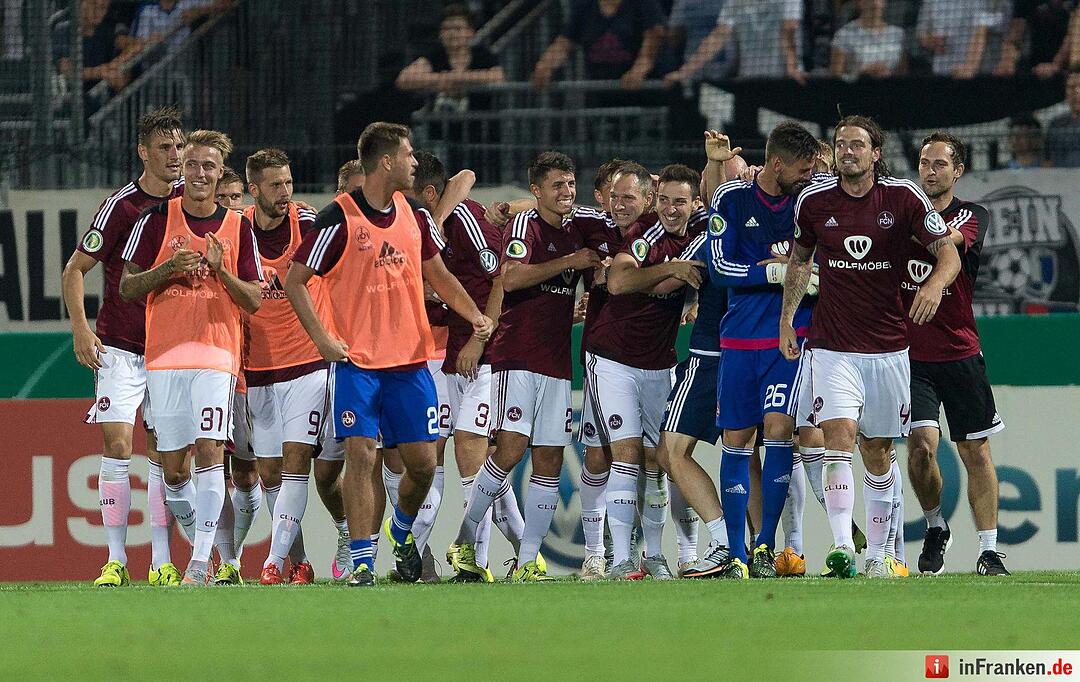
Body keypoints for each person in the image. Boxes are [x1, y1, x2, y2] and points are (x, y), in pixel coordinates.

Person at [287, 122, 493, 587]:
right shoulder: (336, 219)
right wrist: (321, 338)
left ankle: (400, 529)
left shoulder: (416, 216)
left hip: (411, 363)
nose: (415, 161)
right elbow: (296, 280)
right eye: (408, 154)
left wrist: (473, 314)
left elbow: (438, 274)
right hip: (357, 364)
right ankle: (363, 561)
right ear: (386, 162)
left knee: (422, 466)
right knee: (362, 456)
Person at [780, 114, 962, 579]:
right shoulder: (813, 201)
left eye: (857, 145)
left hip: (887, 349)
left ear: (875, 153)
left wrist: (934, 287)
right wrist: (787, 321)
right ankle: (842, 548)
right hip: (832, 345)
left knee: (878, 450)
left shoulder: (903, 197)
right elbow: (799, 262)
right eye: (841, 144)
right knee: (837, 436)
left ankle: (881, 554)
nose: (847, 151)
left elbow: (949, 253)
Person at [448, 151, 602, 582]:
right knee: (512, 446)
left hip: (556, 359)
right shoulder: (525, 226)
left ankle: (528, 561)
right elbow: (511, 277)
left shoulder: (579, 227)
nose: (567, 193)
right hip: (516, 355)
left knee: (550, 458)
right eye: (557, 185)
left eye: (571, 184)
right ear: (536, 191)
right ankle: (463, 538)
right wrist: (569, 263)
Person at [119, 129, 264, 586]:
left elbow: (255, 300)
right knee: (173, 468)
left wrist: (221, 270)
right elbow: (127, 286)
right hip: (163, 357)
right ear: (184, 169)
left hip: (217, 355)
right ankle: (202, 537)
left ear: (221, 173)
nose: (200, 173)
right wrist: (166, 270)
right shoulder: (157, 219)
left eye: (209, 166)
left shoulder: (239, 227)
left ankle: (200, 562)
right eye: (193, 164)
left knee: (210, 451)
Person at [61, 105, 185, 588]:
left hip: (171, 352)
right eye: (165, 148)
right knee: (117, 445)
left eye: (179, 147)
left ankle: (160, 561)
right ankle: (114, 560)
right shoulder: (121, 206)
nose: (175, 157)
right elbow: (75, 270)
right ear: (143, 152)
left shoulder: (187, 204)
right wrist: (80, 329)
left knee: (163, 455)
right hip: (119, 347)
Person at [692, 123, 820, 580]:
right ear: (778, 164)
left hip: (790, 339)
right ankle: (736, 553)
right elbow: (720, 267)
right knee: (736, 440)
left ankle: (766, 546)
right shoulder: (732, 199)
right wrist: (775, 272)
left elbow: (823, 270)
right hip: (738, 341)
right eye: (803, 169)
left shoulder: (811, 203)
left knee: (780, 428)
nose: (810, 176)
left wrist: (797, 270)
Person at [217, 148, 338, 586]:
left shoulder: (308, 225)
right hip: (259, 369)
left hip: (307, 362)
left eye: (289, 182)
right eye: (275, 185)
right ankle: (299, 563)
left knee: (295, 462)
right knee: (268, 473)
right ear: (254, 189)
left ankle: (272, 563)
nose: (286, 192)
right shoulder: (237, 229)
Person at [593, 163, 710, 581]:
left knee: (658, 460)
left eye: (679, 202)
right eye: (664, 201)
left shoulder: (702, 228)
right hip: (613, 358)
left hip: (660, 362)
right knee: (625, 457)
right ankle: (623, 558)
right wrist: (672, 268)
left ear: (694, 203)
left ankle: (656, 556)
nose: (670, 210)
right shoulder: (647, 234)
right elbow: (620, 282)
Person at [901, 132, 1009, 576]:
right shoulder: (899, 214)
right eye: (925, 163)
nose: (930, 170)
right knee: (921, 448)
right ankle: (934, 525)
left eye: (940, 164)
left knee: (975, 452)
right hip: (910, 354)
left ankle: (989, 550)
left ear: (957, 171)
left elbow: (951, 244)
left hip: (960, 350)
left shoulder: (973, 215)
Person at [531, 0, 665, 90]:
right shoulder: (585, 5)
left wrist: (640, 69)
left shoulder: (643, 3)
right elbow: (564, 43)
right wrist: (546, 65)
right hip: (601, 92)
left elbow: (654, 35)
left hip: (642, 92)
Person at [664, 0, 805, 85]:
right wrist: (684, 72)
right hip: (750, 83)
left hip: (785, 82)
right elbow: (718, 37)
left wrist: (792, 68)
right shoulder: (735, 1)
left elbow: (788, 30)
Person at [395, 3, 503, 112]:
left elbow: (498, 76)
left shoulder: (482, 54)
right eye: (446, 29)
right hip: (441, 126)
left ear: (470, 32)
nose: (452, 34)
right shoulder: (435, 55)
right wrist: (443, 78)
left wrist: (457, 78)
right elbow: (404, 79)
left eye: (457, 29)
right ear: (440, 33)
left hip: (478, 125)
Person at [995, 0, 1078, 77]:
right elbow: (1015, 35)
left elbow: (1073, 34)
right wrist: (1007, 61)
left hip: (1071, 67)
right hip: (1034, 66)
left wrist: (1056, 64)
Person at [916, 0, 994, 79]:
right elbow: (922, 32)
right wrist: (931, 41)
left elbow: (981, 33)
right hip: (941, 70)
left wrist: (970, 66)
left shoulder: (980, 2)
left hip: (974, 72)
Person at [831, 0, 906, 78]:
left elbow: (904, 73)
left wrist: (888, 74)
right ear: (859, 3)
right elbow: (836, 76)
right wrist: (861, 74)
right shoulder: (844, 34)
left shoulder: (898, 34)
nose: (875, 3)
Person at [1046, 70, 1080, 167]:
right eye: (1072, 87)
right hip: (1061, 180)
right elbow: (1047, 160)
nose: (1077, 92)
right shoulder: (1056, 124)